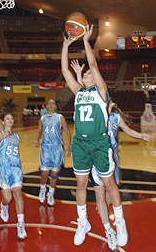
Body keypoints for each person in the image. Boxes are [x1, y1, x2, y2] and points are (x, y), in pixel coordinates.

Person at [71, 59, 152, 250]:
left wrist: (142, 135)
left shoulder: (115, 117)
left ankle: (115, 223)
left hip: (110, 156)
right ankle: (108, 229)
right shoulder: (97, 110)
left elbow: (129, 131)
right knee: (100, 196)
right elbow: (81, 92)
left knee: (112, 189)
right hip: (94, 151)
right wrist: (78, 76)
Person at [61, 25, 128, 248]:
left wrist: (86, 41)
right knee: (80, 185)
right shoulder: (79, 92)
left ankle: (120, 222)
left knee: (109, 185)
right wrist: (65, 46)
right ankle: (83, 223)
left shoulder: (101, 92)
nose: (88, 73)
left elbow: (92, 64)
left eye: (90, 73)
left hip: (99, 143)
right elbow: (64, 72)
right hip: (80, 143)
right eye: (86, 74)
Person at [0, 114, 27, 240]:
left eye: (12, 118)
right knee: (8, 198)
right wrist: (0, 138)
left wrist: (20, 166)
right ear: (3, 122)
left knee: (18, 193)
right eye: (7, 118)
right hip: (2, 167)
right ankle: (3, 205)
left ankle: (21, 224)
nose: (10, 120)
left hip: (15, 168)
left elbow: (17, 152)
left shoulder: (16, 136)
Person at [35, 99, 71, 206]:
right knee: (44, 173)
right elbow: (39, 130)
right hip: (45, 147)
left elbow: (68, 132)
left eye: (53, 103)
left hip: (57, 148)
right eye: (49, 103)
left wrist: (68, 147)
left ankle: (51, 193)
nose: (51, 105)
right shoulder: (42, 118)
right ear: (46, 106)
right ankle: (42, 190)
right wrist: (37, 139)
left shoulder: (60, 117)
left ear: (55, 107)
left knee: (54, 173)